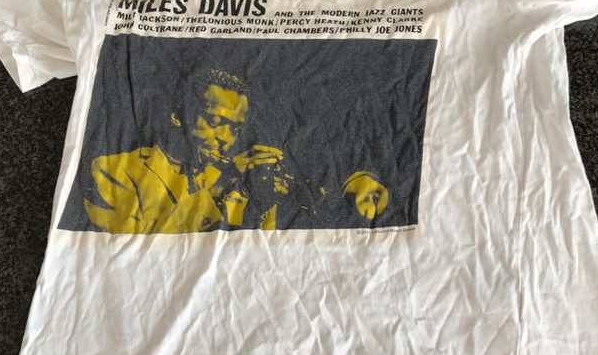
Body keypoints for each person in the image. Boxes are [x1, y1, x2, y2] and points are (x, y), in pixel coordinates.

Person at [83, 68, 389, 233]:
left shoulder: (229, 174)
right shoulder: (113, 170)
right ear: (177, 116)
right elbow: (136, 246)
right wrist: (222, 186)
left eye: (235, 128)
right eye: (215, 122)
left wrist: (269, 205)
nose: (225, 139)